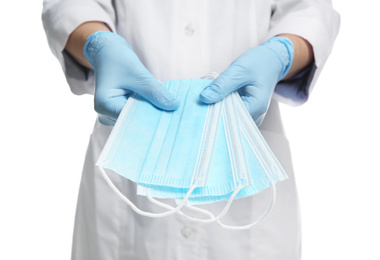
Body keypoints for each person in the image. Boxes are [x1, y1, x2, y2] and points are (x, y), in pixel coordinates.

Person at [42, 1, 340, 259]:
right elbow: (69, 4)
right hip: (129, 177)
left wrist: (282, 53)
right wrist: (96, 44)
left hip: (247, 171)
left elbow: (309, 9)